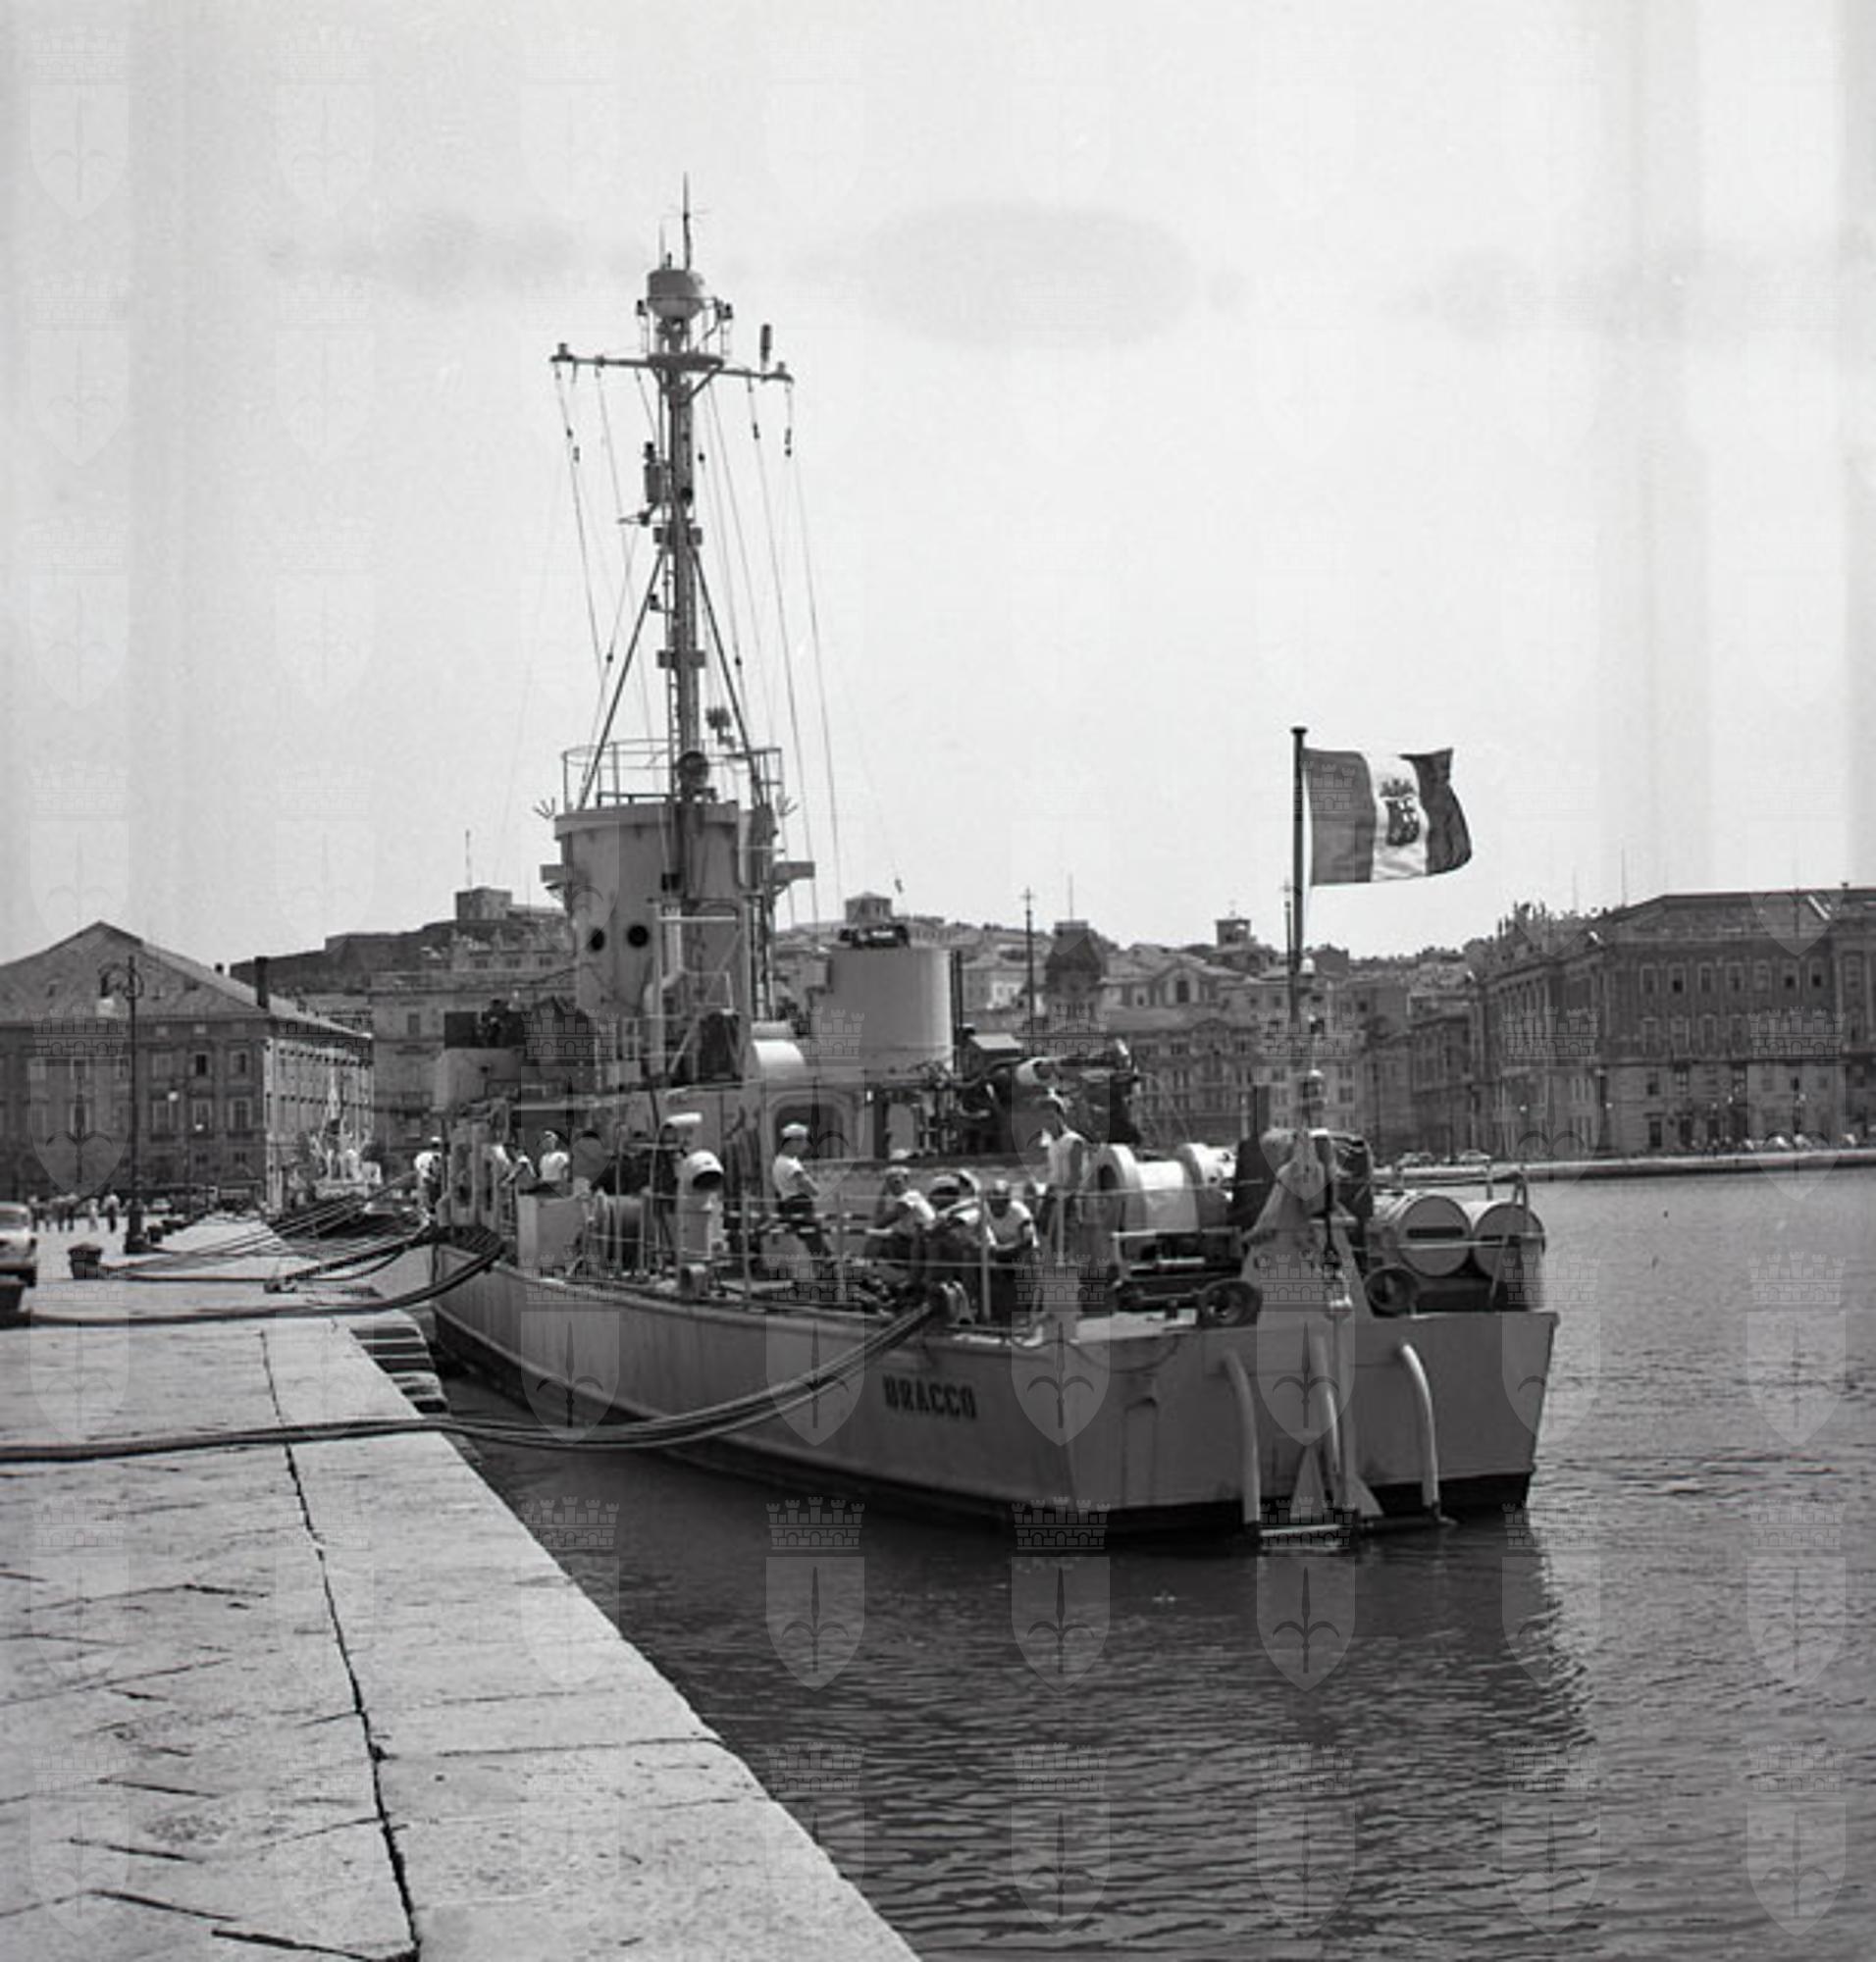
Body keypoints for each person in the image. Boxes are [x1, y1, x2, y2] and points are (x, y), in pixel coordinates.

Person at [979, 1177, 1038, 1324]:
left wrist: (1005, 1250)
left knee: (1026, 1262)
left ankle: (1028, 1310)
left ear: (1008, 1201)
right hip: (1002, 1251)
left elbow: (1027, 1240)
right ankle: (990, 1311)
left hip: (1023, 1252)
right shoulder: (984, 1211)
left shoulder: (1019, 1210)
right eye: (993, 1203)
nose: (996, 1207)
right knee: (982, 1263)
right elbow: (989, 1245)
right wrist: (998, 1252)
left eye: (1001, 1203)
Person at [866, 1163, 936, 1280]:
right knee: (879, 1236)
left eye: (897, 1182)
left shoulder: (909, 1198)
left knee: (876, 1240)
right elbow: (880, 1221)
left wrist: (882, 1195)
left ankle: (868, 1275)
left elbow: (880, 1222)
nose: (893, 1187)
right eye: (889, 1183)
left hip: (923, 1244)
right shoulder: (913, 1196)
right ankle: (869, 1273)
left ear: (907, 1181)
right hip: (917, 1240)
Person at [770, 1122, 827, 1257]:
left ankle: (825, 1262)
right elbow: (806, 1184)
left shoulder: (779, 1161)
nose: (806, 1146)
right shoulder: (790, 1164)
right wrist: (815, 1189)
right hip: (799, 1204)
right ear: (792, 1142)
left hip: (788, 1202)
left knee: (814, 1240)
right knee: (815, 1239)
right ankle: (826, 1264)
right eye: (803, 1142)